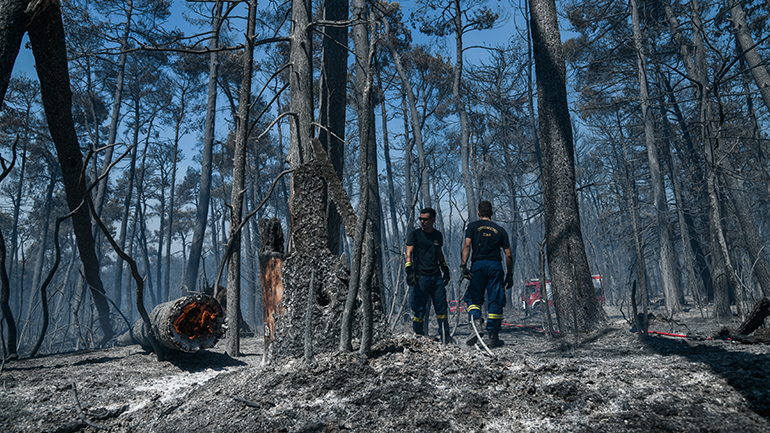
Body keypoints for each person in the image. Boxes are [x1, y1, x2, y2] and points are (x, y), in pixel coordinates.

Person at [460, 200, 513, 348]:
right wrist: (510, 274)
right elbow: (508, 255)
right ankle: (493, 336)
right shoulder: (501, 230)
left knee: (473, 296)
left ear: (478, 213)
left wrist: (463, 266)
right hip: (495, 266)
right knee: (495, 299)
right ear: (491, 213)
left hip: (478, 265)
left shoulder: (472, 227)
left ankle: (476, 324)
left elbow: (467, 245)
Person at [405, 208, 453, 344]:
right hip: (420, 277)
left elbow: (439, 252)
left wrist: (445, 268)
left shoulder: (437, 235)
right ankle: (419, 336)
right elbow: (408, 254)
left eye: (425, 219)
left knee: (441, 307)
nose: (422, 221)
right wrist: (409, 271)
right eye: (420, 219)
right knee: (419, 309)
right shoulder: (414, 235)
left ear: (433, 220)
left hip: (436, 277)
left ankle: (445, 335)